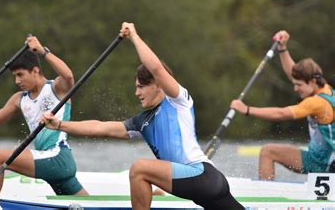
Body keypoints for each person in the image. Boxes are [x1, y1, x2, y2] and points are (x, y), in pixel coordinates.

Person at [41, 23, 243, 210]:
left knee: (139, 169)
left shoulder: (178, 101)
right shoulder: (141, 122)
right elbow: (99, 127)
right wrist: (59, 124)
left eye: (141, 87)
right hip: (205, 189)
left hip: (203, 176)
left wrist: (134, 37)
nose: (137, 93)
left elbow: (155, 68)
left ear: (157, 84)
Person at [0, 35, 88, 196]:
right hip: (50, 162)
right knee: (89, 206)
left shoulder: (57, 88)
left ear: (35, 71)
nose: (16, 81)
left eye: (20, 75)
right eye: (15, 76)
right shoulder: (19, 99)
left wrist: (42, 51)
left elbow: (68, 76)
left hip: (57, 157)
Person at [230, 30, 335, 180]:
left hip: (319, 163)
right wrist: (282, 48)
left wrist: (246, 109)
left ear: (312, 82)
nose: (295, 89)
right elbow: (294, 74)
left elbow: (281, 114)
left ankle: (266, 200)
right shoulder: (326, 89)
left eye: (299, 85)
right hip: (326, 160)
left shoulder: (316, 102)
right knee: (268, 151)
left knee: (267, 152)